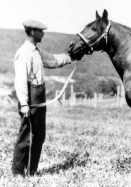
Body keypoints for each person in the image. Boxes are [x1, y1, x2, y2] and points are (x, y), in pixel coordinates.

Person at [12, 20, 79, 176]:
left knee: (39, 135)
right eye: (41, 31)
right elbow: (20, 81)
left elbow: (53, 60)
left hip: (39, 96)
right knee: (26, 136)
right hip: (30, 99)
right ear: (34, 32)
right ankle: (17, 173)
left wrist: (72, 56)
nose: (43, 34)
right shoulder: (24, 53)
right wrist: (24, 104)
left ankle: (31, 171)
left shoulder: (37, 51)